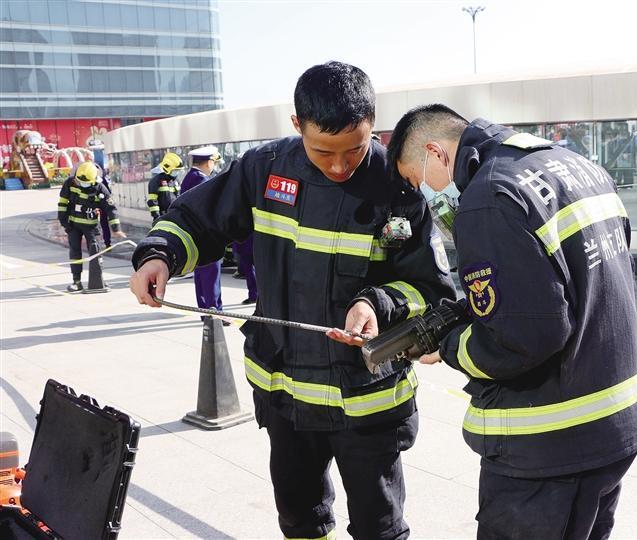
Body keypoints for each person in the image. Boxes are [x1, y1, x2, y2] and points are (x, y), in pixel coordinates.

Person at [129, 61, 455, 540]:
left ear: (372, 124)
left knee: (379, 528)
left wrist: (376, 305)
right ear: (297, 124)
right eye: (324, 151)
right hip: (286, 397)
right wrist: (161, 255)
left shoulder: (398, 183)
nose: (340, 166)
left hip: (368, 403)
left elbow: (432, 291)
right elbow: (199, 219)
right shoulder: (264, 169)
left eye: (355, 149)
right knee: (301, 522)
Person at [386, 104, 637, 539]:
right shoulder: (573, 165)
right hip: (616, 423)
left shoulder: (488, 198)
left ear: (435, 153)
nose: (428, 197)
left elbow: (521, 339)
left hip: (551, 445)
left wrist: (451, 346)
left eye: (420, 182)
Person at [58, 161, 126, 292]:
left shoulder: (100, 189)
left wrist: (116, 229)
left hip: (91, 226)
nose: (82, 184)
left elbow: (111, 209)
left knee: (95, 253)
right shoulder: (70, 183)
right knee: (75, 252)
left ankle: (98, 280)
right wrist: (64, 223)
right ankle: (76, 281)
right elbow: (62, 203)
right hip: (73, 225)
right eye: (80, 181)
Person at [179, 146, 225, 315]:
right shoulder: (202, 180)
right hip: (207, 236)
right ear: (208, 162)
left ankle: (206, 312)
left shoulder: (189, 177)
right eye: (214, 162)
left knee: (201, 277)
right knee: (211, 277)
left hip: (195, 236)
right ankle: (215, 313)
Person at [146, 152, 183, 220]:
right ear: (167, 168)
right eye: (175, 170)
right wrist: (157, 217)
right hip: (163, 216)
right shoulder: (156, 181)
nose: (177, 172)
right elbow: (152, 201)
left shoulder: (175, 181)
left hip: (176, 216)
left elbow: (179, 197)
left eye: (178, 170)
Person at [232, 234, 258, 304]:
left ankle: (254, 296)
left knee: (249, 269)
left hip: (246, 239)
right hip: (248, 239)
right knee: (250, 269)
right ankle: (254, 296)